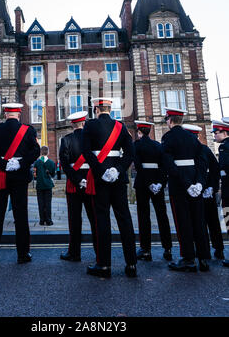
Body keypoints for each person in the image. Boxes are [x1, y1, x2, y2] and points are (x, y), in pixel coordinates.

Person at [0, 103, 40, 264]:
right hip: (19, 176)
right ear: (19, 114)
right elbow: (35, 151)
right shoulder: (28, 130)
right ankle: (23, 254)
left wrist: (2, 164)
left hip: (0, 175)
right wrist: (21, 163)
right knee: (21, 215)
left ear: (5, 114)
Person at [82, 97, 137, 278]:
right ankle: (131, 264)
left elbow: (86, 151)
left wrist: (100, 171)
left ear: (96, 109)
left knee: (102, 220)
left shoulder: (89, 126)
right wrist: (118, 169)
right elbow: (130, 152)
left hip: (100, 179)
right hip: (118, 178)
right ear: (110, 110)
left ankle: (104, 265)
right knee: (124, 219)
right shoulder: (121, 127)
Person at [161, 108, 210, 272]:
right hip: (195, 182)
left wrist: (187, 183)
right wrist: (198, 183)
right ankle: (203, 258)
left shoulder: (168, 137)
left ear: (170, 120)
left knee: (183, 222)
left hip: (180, 183)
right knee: (199, 221)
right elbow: (202, 162)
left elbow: (169, 164)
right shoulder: (192, 137)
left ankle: (188, 258)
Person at [59, 111, 97, 262]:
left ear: (71, 124)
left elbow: (64, 164)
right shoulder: (93, 139)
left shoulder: (66, 139)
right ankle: (98, 251)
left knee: (74, 220)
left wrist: (77, 179)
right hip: (91, 181)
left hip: (74, 184)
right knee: (94, 219)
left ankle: (74, 253)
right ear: (84, 123)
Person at [183, 124, 224, 260]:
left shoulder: (204, 149)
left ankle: (218, 248)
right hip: (195, 191)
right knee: (200, 222)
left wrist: (212, 187)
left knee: (210, 221)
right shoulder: (196, 150)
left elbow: (215, 169)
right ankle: (204, 250)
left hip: (206, 191)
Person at [134, 120, 172, 262]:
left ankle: (146, 250)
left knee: (144, 217)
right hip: (157, 184)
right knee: (162, 215)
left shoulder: (136, 145)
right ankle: (167, 249)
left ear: (139, 132)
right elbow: (164, 166)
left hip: (143, 184)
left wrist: (149, 183)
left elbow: (138, 166)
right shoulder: (158, 145)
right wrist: (159, 183)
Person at [211, 119, 229, 267]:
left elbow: (223, 167)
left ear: (225, 132)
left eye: (216, 133)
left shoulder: (224, 147)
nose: (214, 136)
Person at [34, 146, 56, 226]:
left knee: (40, 203)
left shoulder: (36, 163)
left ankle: (42, 220)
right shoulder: (51, 163)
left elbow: (34, 175)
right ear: (48, 152)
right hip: (48, 185)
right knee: (48, 203)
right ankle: (49, 220)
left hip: (39, 185)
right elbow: (53, 174)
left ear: (40, 152)